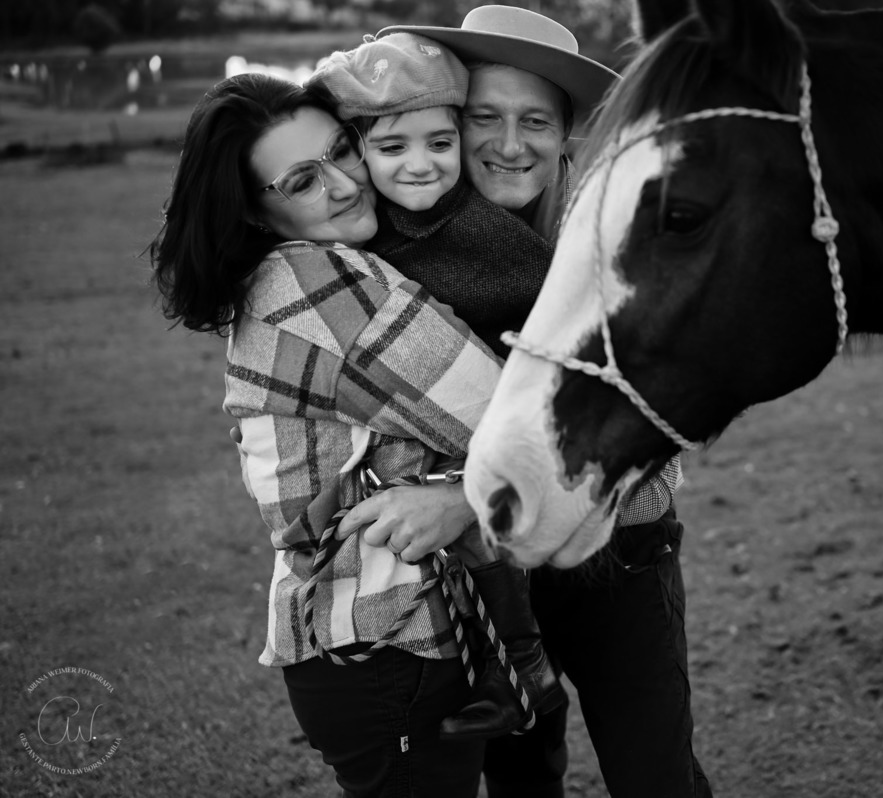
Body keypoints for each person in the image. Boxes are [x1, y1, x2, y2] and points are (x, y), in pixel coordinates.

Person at [343, 7, 712, 798]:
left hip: (616, 553)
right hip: (482, 582)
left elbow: (652, 450)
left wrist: (463, 501)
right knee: (521, 780)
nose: (510, 144)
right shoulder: (393, 246)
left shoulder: (614, 238)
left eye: (535, 121)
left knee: (657, 778)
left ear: (566, 133)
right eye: (486, 117)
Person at [149, 73, 505, 797]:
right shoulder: (315, 283)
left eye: (343, 150)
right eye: (303, 180)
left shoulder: (283, 277)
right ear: (253, 211)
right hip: (386, 647)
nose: (345, 184)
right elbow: (511, 420)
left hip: (361, 646)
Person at [303, 30, 567, 738]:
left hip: (502, 427)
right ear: (357, 151)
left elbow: (558, 328)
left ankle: (523, 667)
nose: (420, 165)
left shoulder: (490, 237)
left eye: (439, 144)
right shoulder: (365, 224)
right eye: (392, 147)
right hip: (418, 435)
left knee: (480, 546)